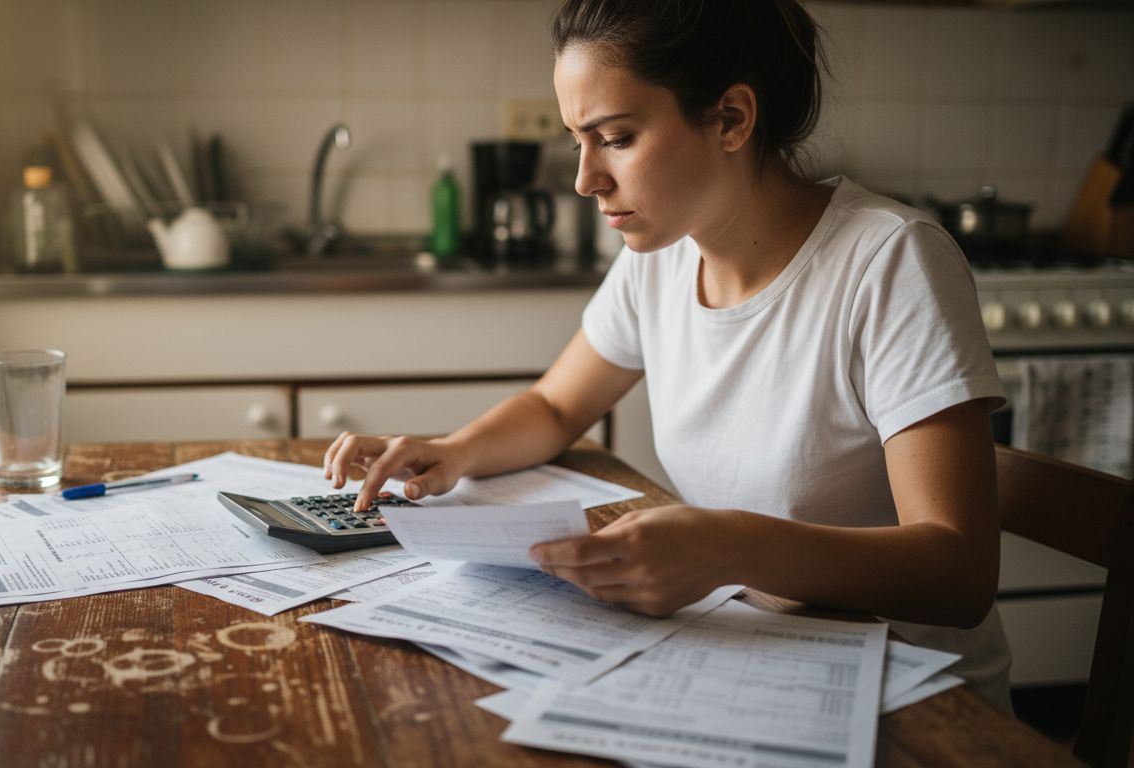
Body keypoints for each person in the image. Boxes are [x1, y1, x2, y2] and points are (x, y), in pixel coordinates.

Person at [323, 0, 1012, 710]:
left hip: (913, 706)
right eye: (576, 142)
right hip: (750, 658)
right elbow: (558, 405)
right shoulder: (663, 255)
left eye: (615, 138)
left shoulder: (888, 262)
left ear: (732, 120)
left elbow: (958, 574)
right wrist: (454, 452)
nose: (585, 179)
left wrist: (733, 547)